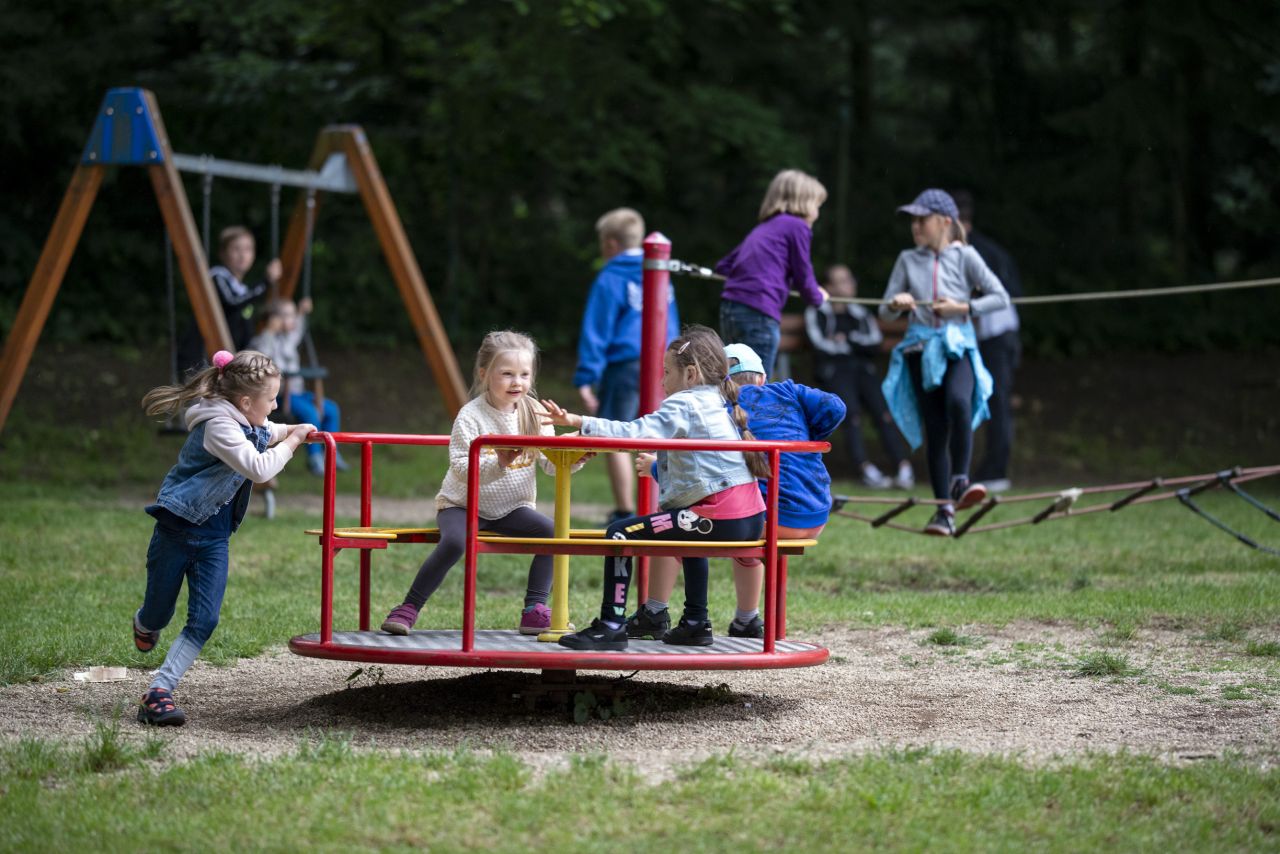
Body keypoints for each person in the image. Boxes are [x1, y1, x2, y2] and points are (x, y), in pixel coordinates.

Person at [542, 325, 769, 650]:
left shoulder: (687, 403)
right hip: (749, 518)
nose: (662, 381)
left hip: (718, 518)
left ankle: (611, 626)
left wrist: (580, 422)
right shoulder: (720, 401)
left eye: (666, 372)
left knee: (619, 533)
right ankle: (695, 622)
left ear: (690, 374)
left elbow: (635, 433)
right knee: (685, 531)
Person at [133, 350, 315, 726]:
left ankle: (158, 691)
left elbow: (268, 431)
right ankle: (145, 624)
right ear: (246, 402)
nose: (276, 405)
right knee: (158, 612)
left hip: (214, 539)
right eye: (271, 399)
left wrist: (294, 430)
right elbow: (259, 468)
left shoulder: (245, 420)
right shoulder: (218, 427)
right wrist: (294, 441)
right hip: (177, 529)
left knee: (205, 619)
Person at [625, 342, 845, 640]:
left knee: (672, 518)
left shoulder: (719, 412)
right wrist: (809, 436)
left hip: (770, 520)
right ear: (763, 378)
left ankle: (654, 611)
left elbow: (693, 471)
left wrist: (654, 468)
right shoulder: (789, 392)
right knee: (747, 534)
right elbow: (836, 406)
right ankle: (746, 620)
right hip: (816, 517)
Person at [380, 330, 585, 637]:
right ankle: (408, 607)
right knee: (455, 542)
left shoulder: (535, 413)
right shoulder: (471, 415)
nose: (517, 382)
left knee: (554, 534)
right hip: (462, 505)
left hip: (512, 509)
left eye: (524, 374)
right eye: (507, 374)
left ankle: (534, 609)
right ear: (484, 374)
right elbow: (461, 466)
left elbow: (549, 464)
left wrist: (574, 457)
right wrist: (498, 461)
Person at [879, 189, 1010, 536]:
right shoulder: (907, 259)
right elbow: (884, 311)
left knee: (959, 402)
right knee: (935, 429)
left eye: (922, 220)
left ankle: (960, 480)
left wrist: (962, 308)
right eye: (913, 220)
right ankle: (943, 513)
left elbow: (1000, 297)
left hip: (957, 347)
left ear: (945, 222)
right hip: (920, 350)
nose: (915, 226)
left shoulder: (966, 256)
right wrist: (896, 304)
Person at [572, 207, 680, 525]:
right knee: (658, 433)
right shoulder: (661, 272)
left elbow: (597, 329)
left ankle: (625, 510)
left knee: (615, 435)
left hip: (625, 364)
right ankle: (658, 509)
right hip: (665, 364)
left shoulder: (611, 277)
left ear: (610, 243)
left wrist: (586, 377)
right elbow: (671, 322)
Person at [805, 264, 914, 489]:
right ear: (828, 287)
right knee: (851, 414)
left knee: (883, 413)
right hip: (835, 371)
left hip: (862, 369)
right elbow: (820, 346)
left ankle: (903, 467)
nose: (850, 284)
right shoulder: (817, 312)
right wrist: (852, 345)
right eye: (842, 280)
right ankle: (864, 469)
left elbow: (874, 343)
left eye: (849, 279)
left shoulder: (860, 312)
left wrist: (848, 340)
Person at [715, 169, 829, 378]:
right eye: (817, 205)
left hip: (731, 309)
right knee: (757, 382)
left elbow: (724, 266)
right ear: (804, 202)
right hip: (759, 312)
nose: (817, 212)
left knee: (732, 379)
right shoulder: (797, 226)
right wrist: (818, 297)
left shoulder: (765, 228)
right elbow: (803, 273)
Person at [952, 190, 1023, 493]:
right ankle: (968, 468)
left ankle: (995, 470)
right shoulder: (970, 250)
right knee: (968, 400)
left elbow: (1008, 293)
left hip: (996, 337)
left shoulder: (978, 252)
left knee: (996, 401)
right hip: (979, 337)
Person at [250, 297, 346, 476]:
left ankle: (332, 453)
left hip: (298, 394)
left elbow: (298, 330)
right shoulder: (263, 340)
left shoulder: (288, 340)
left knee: (331, 409)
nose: (293, 319)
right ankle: (314, 458)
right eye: (288, 315)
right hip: (280, 397)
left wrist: (301, 312)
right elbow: (261, 357)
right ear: (275, 320)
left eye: (293, 315)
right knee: (310, 413)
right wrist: (270, 331)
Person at [177, 226, 280, 377]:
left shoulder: (242, 289)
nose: (242, 255)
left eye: (248, 249)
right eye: (236, 249)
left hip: (225, 360)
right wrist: (265, 283)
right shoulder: (216, 277)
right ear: (223, 254)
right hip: (200, 359)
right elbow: (233, 303)